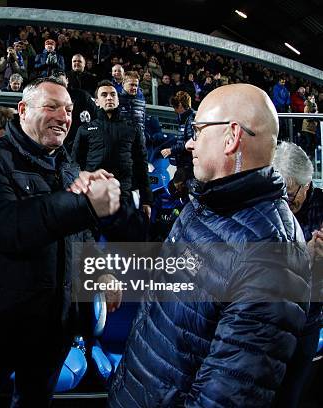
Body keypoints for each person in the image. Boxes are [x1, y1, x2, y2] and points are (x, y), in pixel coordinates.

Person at [108, 83, 312, 407]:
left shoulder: (272, 257)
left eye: (199, 129)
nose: (189, 142)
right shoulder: (205, 200)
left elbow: (224, 399)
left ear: (231, 137)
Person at [0, 77, 121, 407]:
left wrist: (101, 270)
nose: (63, 117)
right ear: (22, 110)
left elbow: (81, 232)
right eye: (51, 107)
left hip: (53, 326)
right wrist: (81, 205)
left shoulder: (67, 165)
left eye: (69, 110)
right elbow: (2, 227)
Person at [272, 141, 322, 408]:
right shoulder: (269, 204)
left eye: (291, 196)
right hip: (270, 319)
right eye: (281, 196)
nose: (286, 204)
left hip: (307, 319)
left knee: (290, 397)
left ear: (307, 183)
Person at [72, 79, 152, 242]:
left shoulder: (132, 129)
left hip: (123, 199)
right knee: (86, 253)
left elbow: (141, 165)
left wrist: (146, 199)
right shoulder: (85, 129)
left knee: (125, 255)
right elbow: (74, 165)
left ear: (117, 99)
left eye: (112, 94)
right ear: (97, 101)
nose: (109, 97)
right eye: (104, 95)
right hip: (91, 199)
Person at [162, 90, 196, 178]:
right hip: (183, 160)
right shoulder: (184, 119)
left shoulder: (190, 119)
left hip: (188, 162)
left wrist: (171, 150)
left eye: (175, 107)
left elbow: (191, 143)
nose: (174, 110)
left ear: (180, 105)